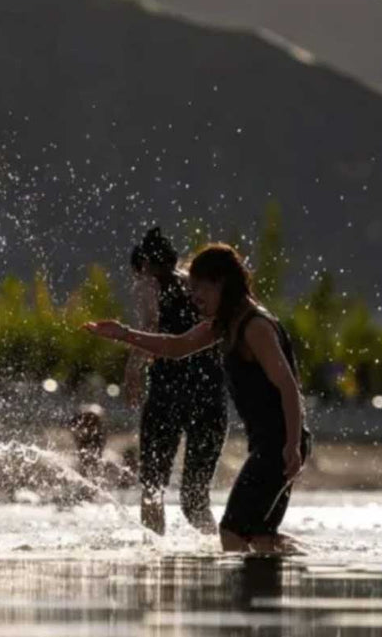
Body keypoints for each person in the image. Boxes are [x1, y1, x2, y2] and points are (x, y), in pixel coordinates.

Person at [86, 243, 311, 553]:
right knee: (260, 539)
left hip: (279, 445)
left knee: (232, 532)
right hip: (270, 443)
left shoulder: (255, 326)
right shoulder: (225, 325)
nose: (193, 298)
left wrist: (293, 444)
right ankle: (310, 566)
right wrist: (123, 333)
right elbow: (176, 347)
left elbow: (288, 387)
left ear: (219, 282)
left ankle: (245, 598)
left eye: (198, 289)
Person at [124, 228, 227, 536]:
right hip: (210, 396)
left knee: (152, 490)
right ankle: (227, 550)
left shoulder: (149, 284)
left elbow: (150, 325)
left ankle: (154, 560)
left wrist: (132, 372)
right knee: (195, 501)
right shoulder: (199, 288)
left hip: (167, 394)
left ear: (144, 266)